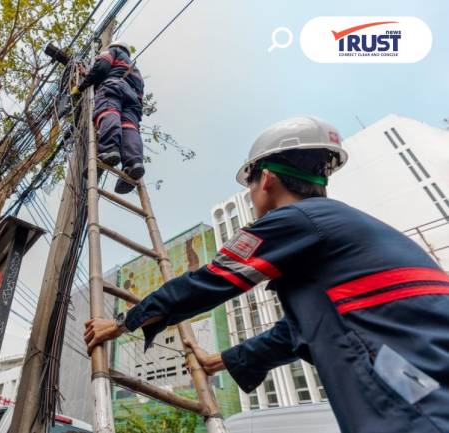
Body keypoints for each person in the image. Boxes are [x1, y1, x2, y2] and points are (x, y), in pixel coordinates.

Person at [84, 116, 449, 433]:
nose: (251, 194)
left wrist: (120, 324)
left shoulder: (295, 220)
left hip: (418, 401)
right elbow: (297, 331)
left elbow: (210, 281)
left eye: (250, 185)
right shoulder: (344, 229)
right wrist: (219, 361)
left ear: (268, 179)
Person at [72, 40, 145, 194]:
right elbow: (140, 95)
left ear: (115, 47)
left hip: (113, 86)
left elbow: (101, 68)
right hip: (133, 101)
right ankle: (133, 163)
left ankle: (109, 149)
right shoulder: (136, 71)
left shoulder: (113, 52)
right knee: (129, 127)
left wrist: (81, 87)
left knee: (108, 111)